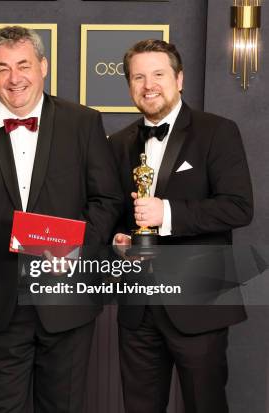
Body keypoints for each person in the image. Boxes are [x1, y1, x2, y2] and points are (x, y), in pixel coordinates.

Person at [0, 26, 123, 412]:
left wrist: (72, 251)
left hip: (67, 297)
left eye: (23, 65)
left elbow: (107, 200)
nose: (14, 78)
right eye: (2, 68)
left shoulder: (83, 122)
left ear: (44, 66)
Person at [110, 39, 253, 412]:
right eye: (138, 77)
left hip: (199, 304)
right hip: (137, 308)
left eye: (158, 74)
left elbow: (238, 208)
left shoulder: (217, 131)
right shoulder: (118, 144)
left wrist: (167, 214)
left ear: (180, 78)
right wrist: (118, 238)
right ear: (129, 86)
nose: (148, 85)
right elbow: (114, 214)